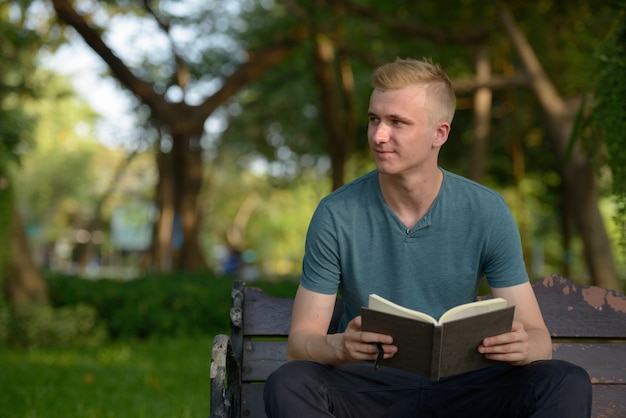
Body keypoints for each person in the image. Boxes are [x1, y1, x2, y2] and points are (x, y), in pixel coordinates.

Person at [263, 57, 592, 417]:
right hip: (370, 386)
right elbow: (300, 345)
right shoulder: (335, 214)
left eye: (397, 123)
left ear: (440, 133)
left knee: (565, 380)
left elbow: (539, 339)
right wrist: (341, 346)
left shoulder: (486, 210)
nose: (379, 135)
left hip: (467, 389)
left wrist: (522, 347)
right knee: (289, 382)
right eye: (374, 119)